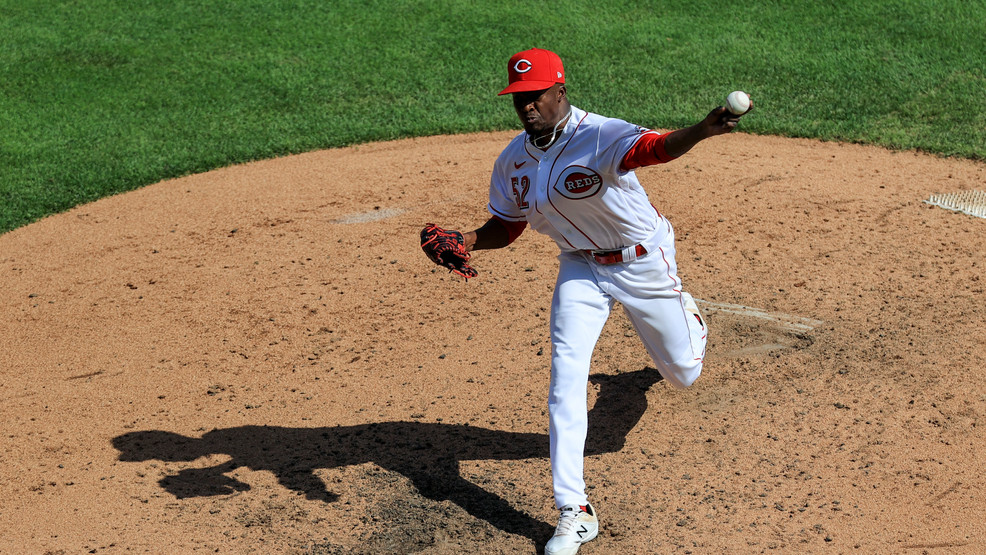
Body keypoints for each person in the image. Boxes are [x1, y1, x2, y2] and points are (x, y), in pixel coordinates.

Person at [432, 48, 744, 555]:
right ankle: (574, 510)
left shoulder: (600, 133)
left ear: (560, 91)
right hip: (580, 266)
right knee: (566, 373)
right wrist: (466, 239)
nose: (526, 107)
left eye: (535, 96)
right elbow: (508, 225)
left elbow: (655, 149)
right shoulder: (513, 158)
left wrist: (700, 131)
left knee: (684, 372)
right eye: (518, 99)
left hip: (642, 260)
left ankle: (689, 319)